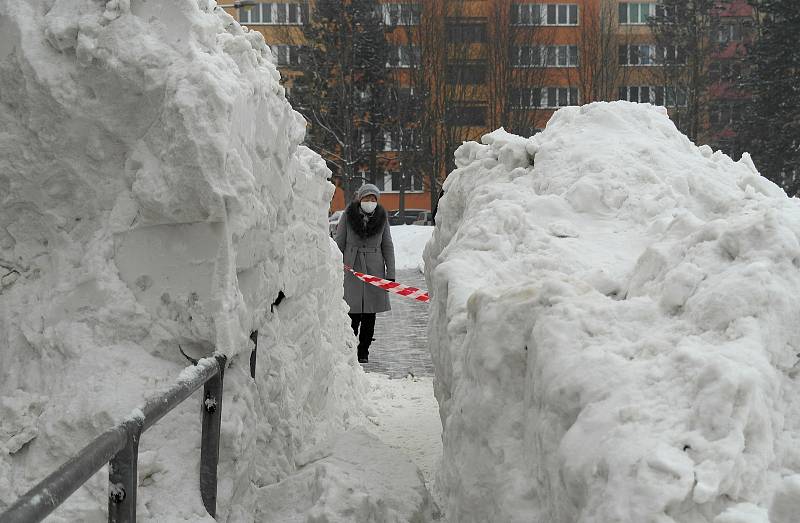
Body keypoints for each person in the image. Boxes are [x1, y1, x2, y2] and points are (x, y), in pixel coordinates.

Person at [335, 184, 396, 363]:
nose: (369, 202)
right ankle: (350, 348)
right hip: (351, 267)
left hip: (374, 268)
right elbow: (339, 242)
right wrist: (335, 267)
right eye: (366, 199)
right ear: (359, 199)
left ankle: (364, 350)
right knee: (352, 312)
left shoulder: (382, 218)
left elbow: (387, 245)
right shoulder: (348, 216)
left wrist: (390, 273)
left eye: (373, 199)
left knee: (370, 313)